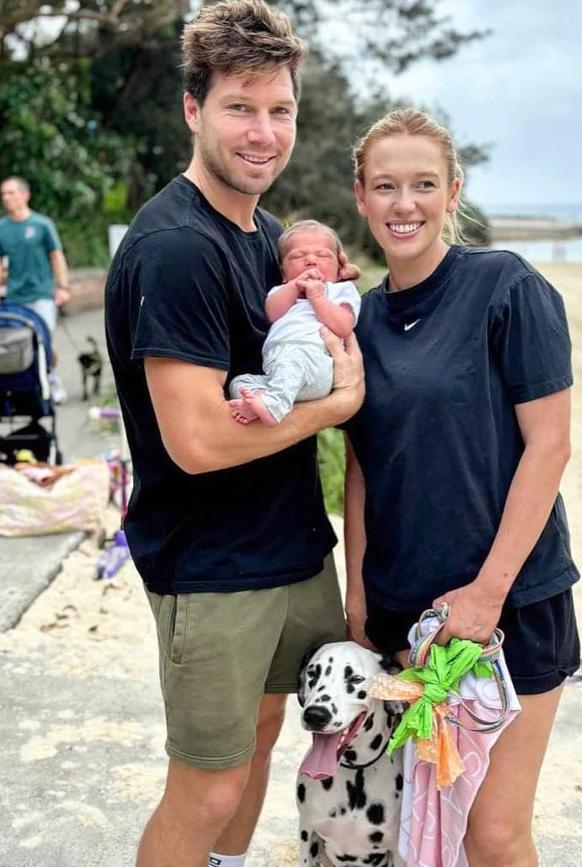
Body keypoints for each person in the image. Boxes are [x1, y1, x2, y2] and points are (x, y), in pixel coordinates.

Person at [103, 3, 364, 867]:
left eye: (279, 109)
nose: (264, 131)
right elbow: (199, 442)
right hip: (211, 567)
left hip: (290, 548)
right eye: (239, 107)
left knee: (260, 738)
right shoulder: (175, 247)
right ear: (192, 109)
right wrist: (333, 406)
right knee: (206, 781)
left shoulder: (277, 241)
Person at [344, 108, 580, 867]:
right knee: (426, 824)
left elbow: (550, 446)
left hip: (509, 611)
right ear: (360, 197)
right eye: (386, 186)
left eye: (422, 184)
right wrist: (357, 594)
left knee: (493, 830)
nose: (403, 203)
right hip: (404, 617)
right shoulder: (360, 322)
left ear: (452, 192)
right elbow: (359, 465)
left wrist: (485, 594)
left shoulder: (505, 286)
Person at [229, 219, 360, 426]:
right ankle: (263, 402)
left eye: (323, 255)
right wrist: (293, 287)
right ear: (283, 271)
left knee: (292, 360)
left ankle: (273, 407)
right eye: (298, 256)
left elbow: (344, 326)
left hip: (313, 362)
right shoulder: (282, 292)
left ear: (339, 267)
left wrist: (318, 298)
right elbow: (271, 314)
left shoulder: (339, 291)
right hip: (276, 366)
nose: (310, 261)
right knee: (239, 383)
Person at [0, 176, 70, 403]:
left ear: (25, 195)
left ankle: (52, 381)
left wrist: (62, 287)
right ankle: (25, 389)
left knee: (44, 340)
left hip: (41, 294)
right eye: (3, 194)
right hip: (14, 297)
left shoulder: (42, 225)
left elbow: (56, 256)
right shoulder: (2, 228)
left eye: (11, 193)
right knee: (16, 344)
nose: (6, 198)